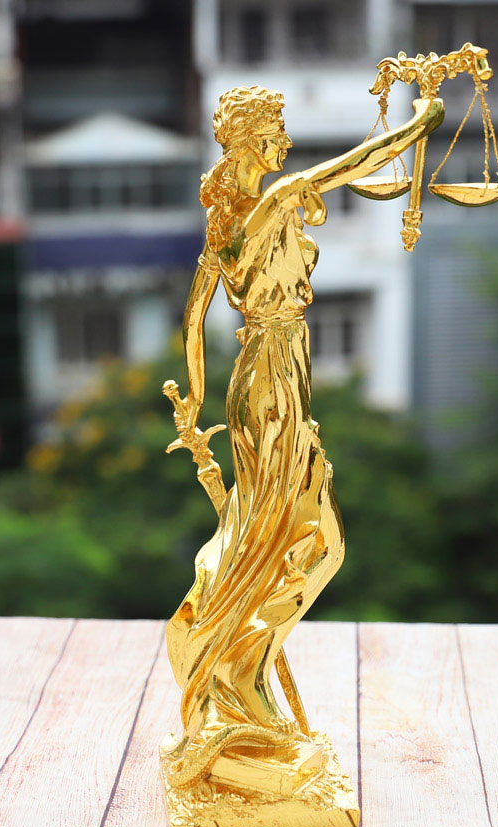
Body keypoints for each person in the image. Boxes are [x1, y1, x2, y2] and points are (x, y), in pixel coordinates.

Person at [164, 85, 444, 791]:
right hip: (270, 381)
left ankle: (240, 674)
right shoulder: (272, 199)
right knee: (302, 540)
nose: (286, 145)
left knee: (292, 537)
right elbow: (352, 165)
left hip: (275, 374)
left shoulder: (229, 221)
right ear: (249, 141)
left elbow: (194, 318)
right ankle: (241, 681)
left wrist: (194, 396)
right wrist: (420, 122)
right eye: (276, 132)